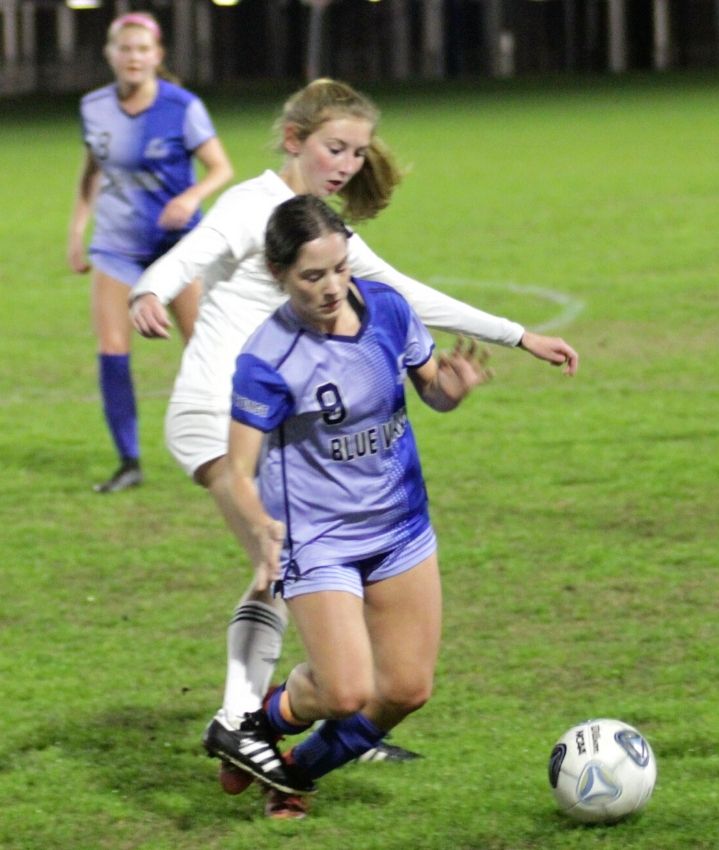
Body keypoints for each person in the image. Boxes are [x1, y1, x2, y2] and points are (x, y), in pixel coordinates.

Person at [128, 79, 577, 795]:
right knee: (279, 559)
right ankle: (247, 721)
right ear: (293, 140)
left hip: (277, 415)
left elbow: (405, 295)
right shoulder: (250, 206)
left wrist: (518, 335)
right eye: (335, 147)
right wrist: (147, 289)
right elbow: (193, 251)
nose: (346, 163)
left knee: (295, 570)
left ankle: (312, 710)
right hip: (216, 407)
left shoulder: (325, 236)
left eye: (358, 152)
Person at [208, 194, 490, 819]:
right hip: (320, 538)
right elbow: (237, 465)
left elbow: (431, 395)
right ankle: (254, 723)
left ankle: (294, 773)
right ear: (280, 275)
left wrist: (454, 388)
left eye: (340, 268)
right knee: (345, 690)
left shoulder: (387, 310)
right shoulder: (268, 359)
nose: (333, 287)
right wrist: (257, 526)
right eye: (313, 276)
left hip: (400, 526)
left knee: (407, 689)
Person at [68, 11, 233, 493]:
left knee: (203, 349)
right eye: (125, 48)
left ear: (157, 56)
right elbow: (91, 173)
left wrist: (190, 197)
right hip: (116, 246)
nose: (133, 57)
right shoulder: (93, 106)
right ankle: (129, 461)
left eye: (143, 49)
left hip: (177, 249)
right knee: (113, 351)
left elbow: (220, 168)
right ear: (110, 54)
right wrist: (77, 232)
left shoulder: (182, 106)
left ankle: (228, 447)